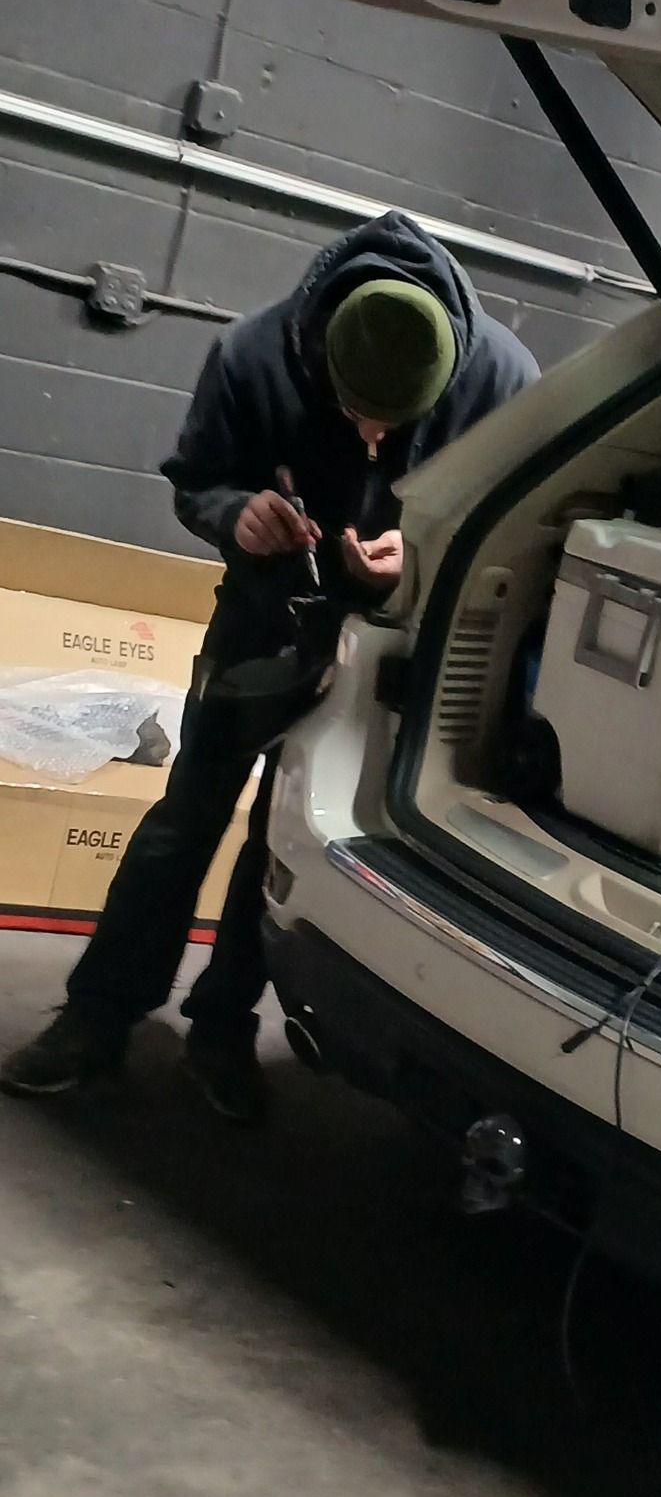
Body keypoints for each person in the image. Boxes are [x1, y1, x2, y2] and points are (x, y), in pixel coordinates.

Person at [1, 214, 537, 1121]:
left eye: (394, 424)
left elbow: (510, 531)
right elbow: (194, 478)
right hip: (259, 624)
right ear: (320, 360)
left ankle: (221, 1030)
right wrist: (235, 514)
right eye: (355, 415)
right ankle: (96, 1019)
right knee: (184, 820)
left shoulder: (502, 382)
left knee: (281, 841)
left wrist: (421, 557)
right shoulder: (251, 353)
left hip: (381, 655)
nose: (372, 439)